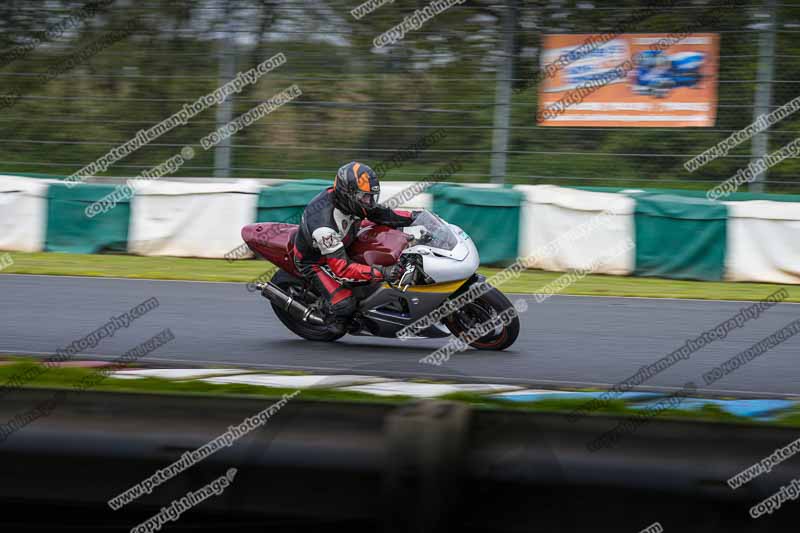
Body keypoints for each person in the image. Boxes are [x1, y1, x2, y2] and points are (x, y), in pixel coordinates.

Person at [292, 161, 417, 326]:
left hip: (345, 237)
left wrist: (414, 217)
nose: (369, 201)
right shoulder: (324, 227)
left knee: (389, 239)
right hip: (316, 261)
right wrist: (383, 272)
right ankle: (331, 322)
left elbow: (381, 214)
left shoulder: (351, 203)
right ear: (348, 194)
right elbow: (342, 268)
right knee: (345, 305)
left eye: (371, 196)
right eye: (365, 197)